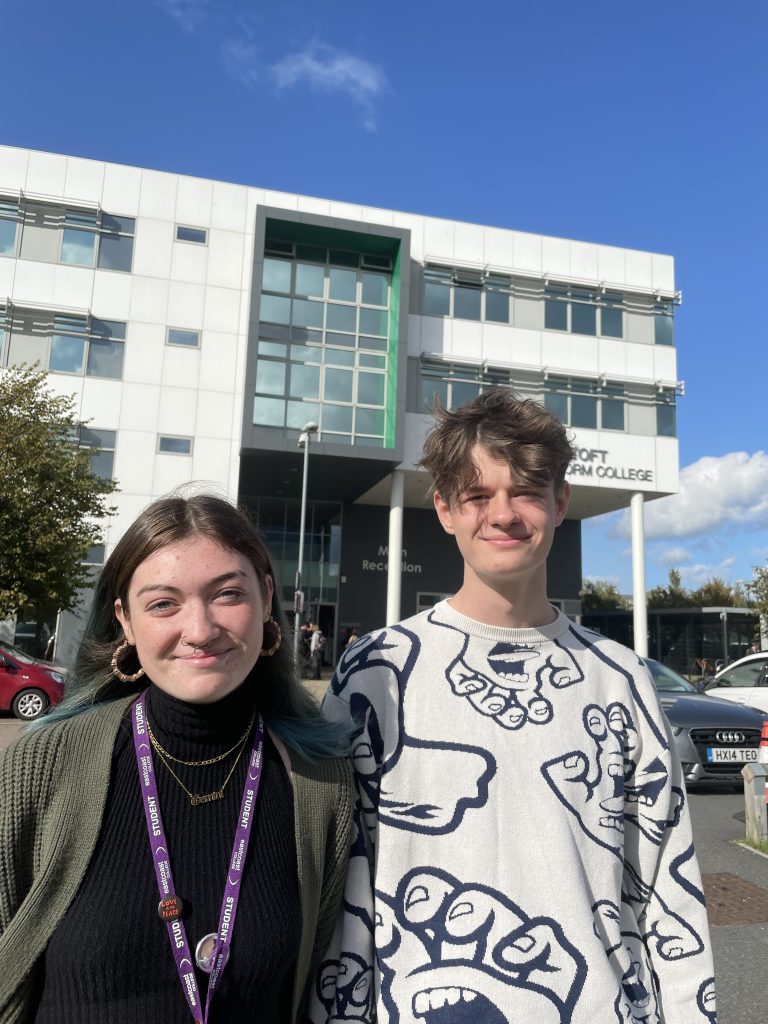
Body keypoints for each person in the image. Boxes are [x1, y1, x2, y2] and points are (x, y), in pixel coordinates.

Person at [313, 388, 716, 1024]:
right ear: (443, 509)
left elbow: (669, 883)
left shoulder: (622, 680)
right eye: (477, 495)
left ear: (561, 502)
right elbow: (338, 877)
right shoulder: (375, 674)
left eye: (525, 490)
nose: (502, 514)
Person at [0, 494, 353, 1023]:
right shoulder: (45, 763)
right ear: (125, 619)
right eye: (163, 603)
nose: (201, 630)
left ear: (265, 596)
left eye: (228, 594)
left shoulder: (320, 781)